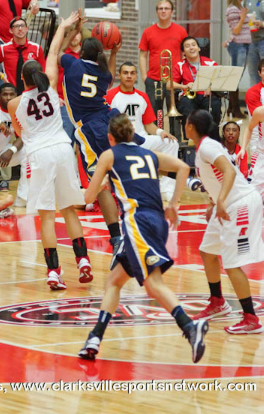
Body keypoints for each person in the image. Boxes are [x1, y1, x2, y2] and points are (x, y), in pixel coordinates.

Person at [78, 113, 208, 363]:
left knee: (152, 284)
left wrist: (103, 182)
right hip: (156, 221)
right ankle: (95, 337)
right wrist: (174, 204)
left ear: (110, 137)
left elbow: (88, 197)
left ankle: (190, 327)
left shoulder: (109, 155)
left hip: (138, 222)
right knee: (114, 281)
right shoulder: (149, 154)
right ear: (132, 134)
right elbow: (183, 167)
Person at [8, 13, 93, 290]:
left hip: (40, 154)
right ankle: (83, 260)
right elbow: (54, 51)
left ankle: (54, 272)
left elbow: (20, 132)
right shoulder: (53, 88)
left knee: (46, 216)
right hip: (63, 150)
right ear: (42, 75)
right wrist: (65, 26)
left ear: (22, 79)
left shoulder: (14, 104)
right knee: (69, 210)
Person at [186, 110, 264, 334]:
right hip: (225, 204)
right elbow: (217, 178)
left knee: (231, 263)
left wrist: (219, 200)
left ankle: (251, 318)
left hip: (239, 204)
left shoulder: (207, 147)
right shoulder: (205, 146)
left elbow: (229, 171)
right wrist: (214, 202)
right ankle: (218, 302)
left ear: (190, 126)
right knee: (207, 252)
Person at [59, 27, 125, 251]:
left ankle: (116, 236)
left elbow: (58, 51)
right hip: (109, 120)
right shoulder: (103, 73)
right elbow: (111, 77)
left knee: (102, 183)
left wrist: (73, 31)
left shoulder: (73, 64)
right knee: (122, 173)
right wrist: (114, 53)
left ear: (81, 52)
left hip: (89, 129)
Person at [105, 60, 201, 196]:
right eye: (125, 73)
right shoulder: (109, 96)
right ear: (119, 76)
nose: (129, 76)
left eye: (132, 73)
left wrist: (161, 132)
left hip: (142, 140)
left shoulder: (142, 96)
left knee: (171, 142)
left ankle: (166, 189)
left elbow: (148, 124)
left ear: (136, 76)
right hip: (121, 142)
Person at [139, 0, 187, 117]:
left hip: (174, 80)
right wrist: (145, 77)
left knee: (175, 116)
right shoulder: (148, 32)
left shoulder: (181, 31)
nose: (163, 11)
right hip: (154, 80)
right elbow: (143, 55)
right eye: (160, 9)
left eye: (166, 8)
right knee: (155, 115)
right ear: (156, 12)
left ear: (172, 12)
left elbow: (185, 55)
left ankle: (175, 130)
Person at [172, 36, 222, 129]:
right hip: (189, 96)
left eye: (193, 45)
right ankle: (190, 135)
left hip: (207, 95)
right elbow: (169, 84)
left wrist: (211, 87)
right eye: (187, 46)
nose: (191, 48)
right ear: (183, 52)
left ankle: (212, 134)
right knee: (186, 105)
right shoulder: (180, 65)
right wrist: (184, 86)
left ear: (199, 48)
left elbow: (220, 80)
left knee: (215, 104)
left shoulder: (210, 63)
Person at [0, 17, 45, 95]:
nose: (20, 29)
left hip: (32, 93)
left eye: (22, 26)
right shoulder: (3, 49)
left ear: (27, 29)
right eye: (17, 26)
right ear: (11, 30)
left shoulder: (37, 48)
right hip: (11, 93)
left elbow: (43, 72)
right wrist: (1, 75)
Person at [225, 0, 250, 118]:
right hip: (238, 45)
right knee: (235, 76)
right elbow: (235, 30)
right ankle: (235, 109)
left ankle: (231, 108)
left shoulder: (240, 7)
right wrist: (243, 17)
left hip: (244, 44)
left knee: (237, 76)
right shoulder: (233, 9)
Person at [244, 57, 264, 181]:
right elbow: (258, 120)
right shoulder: (253, 92)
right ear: (259, 73)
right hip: (259, 142)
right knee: (256, 182)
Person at [246, 0, 264, 86]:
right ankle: (255, 97)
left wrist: (262, 24)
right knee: (253, 74)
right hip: (251, 42)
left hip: (263, 40)